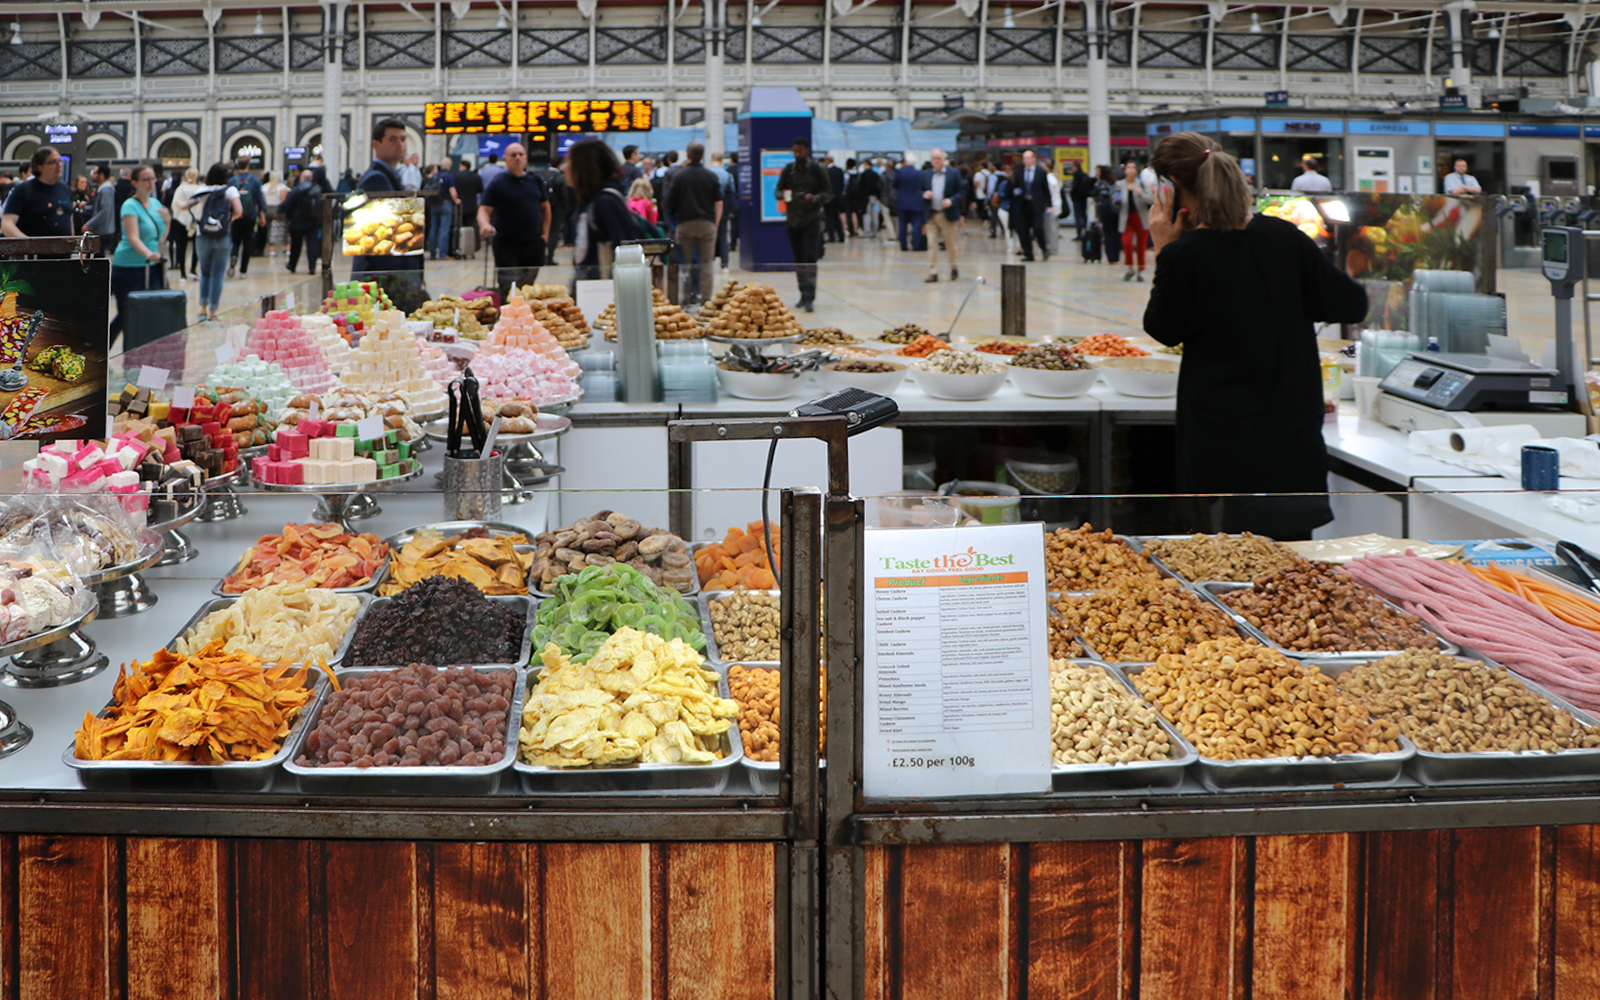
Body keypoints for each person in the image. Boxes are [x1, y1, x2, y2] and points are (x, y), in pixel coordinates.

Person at [1143, 130, 1368, 540]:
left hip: (1222, 454)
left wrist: (1163, 248)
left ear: (1172, 190)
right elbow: (1351, 304)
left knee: (1223, 581)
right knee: (1289, 590)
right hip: (1291, 449)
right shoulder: (1286, 239)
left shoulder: (1185, 255)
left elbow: (1163, 329)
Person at [351, 118, 423, 276]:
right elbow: (383, 234)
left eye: (403, 139)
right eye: (392, 140)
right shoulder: (377, 178)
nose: (400, 145)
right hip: (385, 272)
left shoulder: (389, 175)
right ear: (376, 145)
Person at [108, 164, 171, 344]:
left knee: (151, 313)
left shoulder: (156, 204)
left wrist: (168, 221)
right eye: (146, 179)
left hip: (152, 267)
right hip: (130, 267)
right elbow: (133, 238)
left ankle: (144, 356)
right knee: (128, 314)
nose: (151, 183)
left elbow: (160, 238)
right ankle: (106, 350)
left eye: (153, 179)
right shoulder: (129, 206)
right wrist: (149, 254)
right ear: (134, 182)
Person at [174, 161, 243, 322]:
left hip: (203, 235)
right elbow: (239, 211)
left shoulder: (203, 190)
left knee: (205, 273)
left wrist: (177, 202)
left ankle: (202, 311)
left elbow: (185, 206)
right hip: (222, 236)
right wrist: (228, 220)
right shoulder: (230, 190)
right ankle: (213, 312)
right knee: (217, 274)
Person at [564, 138, 634, 280]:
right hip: (590, 290)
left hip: (602, 292)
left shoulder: (605, 202)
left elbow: (626, 255)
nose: (565, 167)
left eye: (569, 162)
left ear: (582, 168)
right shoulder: (589, 201)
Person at [477, 141, 550, 277]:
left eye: (521, 154)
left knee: (529, 287)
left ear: (526, 158)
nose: (518, 157)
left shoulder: (535, 180)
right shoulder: (498, 182)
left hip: (533, 241)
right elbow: (484, 210)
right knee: (509, 285)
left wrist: (545, 235)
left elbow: (545, 208)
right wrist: (485, 225)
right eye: (513, 155)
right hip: (506, 242)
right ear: (505, 159)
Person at [776, 137, 830, 312]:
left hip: (811, 219)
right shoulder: (789, 170)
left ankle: (809, 296)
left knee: (809, 257)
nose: (797, 154)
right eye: (795, 151)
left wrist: (813, 198)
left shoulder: (817, 169)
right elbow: (777, 190)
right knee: (798, 259)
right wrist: (784, 195)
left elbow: (828, 193)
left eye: (800, 151)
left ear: (807, 150)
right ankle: (802, 294)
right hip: (793, 219)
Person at [665, 141, 723, 305]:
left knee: (684, 264)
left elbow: (669, 201)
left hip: (685, 224)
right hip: (706, 224)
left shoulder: (680, 175)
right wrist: (715, 223)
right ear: (702, 155)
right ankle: (705, 300)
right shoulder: (710, 175)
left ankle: (685, 297)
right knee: (706, 265)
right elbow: (719, 202)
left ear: (688, 155)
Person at [1, 146, 73, 238]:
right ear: (39, 167)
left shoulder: (66, 188)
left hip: (63, 251)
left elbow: (69, 221)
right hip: (32, 251)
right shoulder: (23, 190)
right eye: (53, 162)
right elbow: (7, 224)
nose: (59, 165)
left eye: (60, 161)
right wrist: (30, 246)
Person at [920, 149, 963, 283]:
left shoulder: (954, 173)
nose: (936, 161)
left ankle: (954, 267)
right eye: (934, 158)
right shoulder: (926, 174)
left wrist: (952, 200)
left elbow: (961, 191)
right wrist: (923, 194)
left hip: (947, 214)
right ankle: (933, 272)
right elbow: (919, 189)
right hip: (931, 213)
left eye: (938, 158)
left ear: (944, 159)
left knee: (951, 244)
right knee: (931, 244)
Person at [1010, 149, 1053, 261]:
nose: (1026, 160)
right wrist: (1016, 192)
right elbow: (1015, 187)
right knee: (1023, 230)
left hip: (1037, 205)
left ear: (1034, 159)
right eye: (1024, 158)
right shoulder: (1019, 173)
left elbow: (1045, 189)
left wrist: (1049, 205)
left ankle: (1044, 248)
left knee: (1038, 228)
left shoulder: (1041, 172)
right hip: (1024, 205)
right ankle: (1028, 253)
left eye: (1028, 158)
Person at [1115, 160, 1153, 282]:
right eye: (1128, 167)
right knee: (1127, 242)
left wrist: (1141, 194)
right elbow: (1115, 201)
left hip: (1140, 217)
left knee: (1142, 245)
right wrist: (1115, 200)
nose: (1131, 170)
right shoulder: (1119, 184)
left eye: (1133, 167)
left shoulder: (1141, 184)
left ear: (1136, 171)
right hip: (1126, 217)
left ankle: (1140, 270)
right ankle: (1130, 269)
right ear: (1125, 170)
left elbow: (1151, 199)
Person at [227, 157, 265, 277]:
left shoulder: (232, 181)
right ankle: (243, 271)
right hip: (250, 216)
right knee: (247, 242)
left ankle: (234, 256)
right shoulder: (254, 181)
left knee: (235, 241)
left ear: (237, 166)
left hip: (236, 216)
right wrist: (262, 216)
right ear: (248, 165)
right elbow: (260, 200)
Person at [281, 168, 323, 274]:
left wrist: (280, 211)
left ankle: (292, 265)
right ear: (311, 178)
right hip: (313, 221)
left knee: (296, 244)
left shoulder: (297, 189)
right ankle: (312, 266)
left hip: (297, 221)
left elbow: (287, 203)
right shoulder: (317, 189)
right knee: (312, 244)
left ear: (301, 178)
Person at [170, 167, 204, 281]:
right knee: (196, 247)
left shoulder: (181, 189)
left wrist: (177, 216)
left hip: (181, 221)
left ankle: (182, 273)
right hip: (195, 221)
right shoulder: (200, 189)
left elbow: (174, 205)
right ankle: (193, 270)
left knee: (181, 247)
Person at [540, 157, 573, 265]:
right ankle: (549, 257)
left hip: (542, 208)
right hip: (556, 209)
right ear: (560, 164)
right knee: (553, 232)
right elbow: (564, 195)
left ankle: (541, 256)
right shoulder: (560, 177)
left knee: (542, 231)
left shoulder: (542, 175)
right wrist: (565, 209)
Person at [425, 159, 459, 259]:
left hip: (433, 204)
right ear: (450, 166)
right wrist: (456, 200)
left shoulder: (434, 176)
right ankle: (443, 254)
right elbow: (452, 191)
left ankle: (432, 253)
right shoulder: (449, 176)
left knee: (433, 228)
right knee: (444, 229)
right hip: (445, 203)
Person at [85, 164, 120, 256]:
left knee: (96, 258)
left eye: (95, 173)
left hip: (102, 230)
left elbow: (104, 211)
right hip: (100, 229)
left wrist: (89, 224)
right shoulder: (102, 189)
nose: (92, 175)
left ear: (101, 175)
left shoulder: (105, 191)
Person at [893, 157, 925, 252]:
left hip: (902, 202)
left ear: (906, 162)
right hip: (916, 202)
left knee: (902, 225)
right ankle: (916, 245)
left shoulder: (900, 172)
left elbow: (894, 185)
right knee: (916, 225)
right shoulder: (919, 173)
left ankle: (903, 245)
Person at [709, 152, 736, 267]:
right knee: (723, 234)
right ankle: (724, 261)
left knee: (709, 235)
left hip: (709, 207)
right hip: (723, 207)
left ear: (711, 159)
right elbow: (732, 191)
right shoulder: (727, 175)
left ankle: (709, 259)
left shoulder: (708, 173)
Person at [454, 157, 483, 253]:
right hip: (472, 205)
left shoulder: (457, 176)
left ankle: (459, 247)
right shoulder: (475, 177)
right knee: (472, 226)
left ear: (463, 166)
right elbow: (480, 190)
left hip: (461, 205)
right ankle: (475, 246)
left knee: (459, 226)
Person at [1093, 165, 1120, 265]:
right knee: (1115, 233)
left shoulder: (1100, 184)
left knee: (1108, 233)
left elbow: (1095, 193)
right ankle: (1116, 256)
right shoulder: (1113, 183)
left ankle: (1111, 257)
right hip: (1115, 210)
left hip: (1105, 210)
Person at [1069, 162, 1095, 259]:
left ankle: (1080, 233)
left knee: (1078, 215)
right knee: (1083, 214)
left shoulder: (1076, 175)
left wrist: (1073, 194)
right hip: (1083, 198)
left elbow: (1075, 187)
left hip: (1077, 198)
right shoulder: (1084, 175)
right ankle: (1084, 230)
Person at [261, 170, 290, 256]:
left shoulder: (264, 187)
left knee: (269, 229)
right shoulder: (282, 187)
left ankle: (272, 250)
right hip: (278, 209)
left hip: (267, 209)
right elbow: (283, 200)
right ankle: (287, 248)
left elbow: (262, 200)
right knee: (283, 228)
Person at [1042, 157, 1064, 258]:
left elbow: (1049, 193)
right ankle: (1054, 247)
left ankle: (1051, 247)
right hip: (1057, 205)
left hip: (1051, 206)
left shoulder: (1049, 179)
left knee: (1050, 228)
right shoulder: (1056, 178)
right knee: (1054, 227)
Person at [823, 155, 846, 243]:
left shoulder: (826, 171)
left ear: (827, 161)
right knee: (837, 216)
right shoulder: (839, 170)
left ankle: (832, 236)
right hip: (838, 197)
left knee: (829, 217)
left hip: (829, 198)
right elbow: (842, 184)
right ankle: (841, 236)